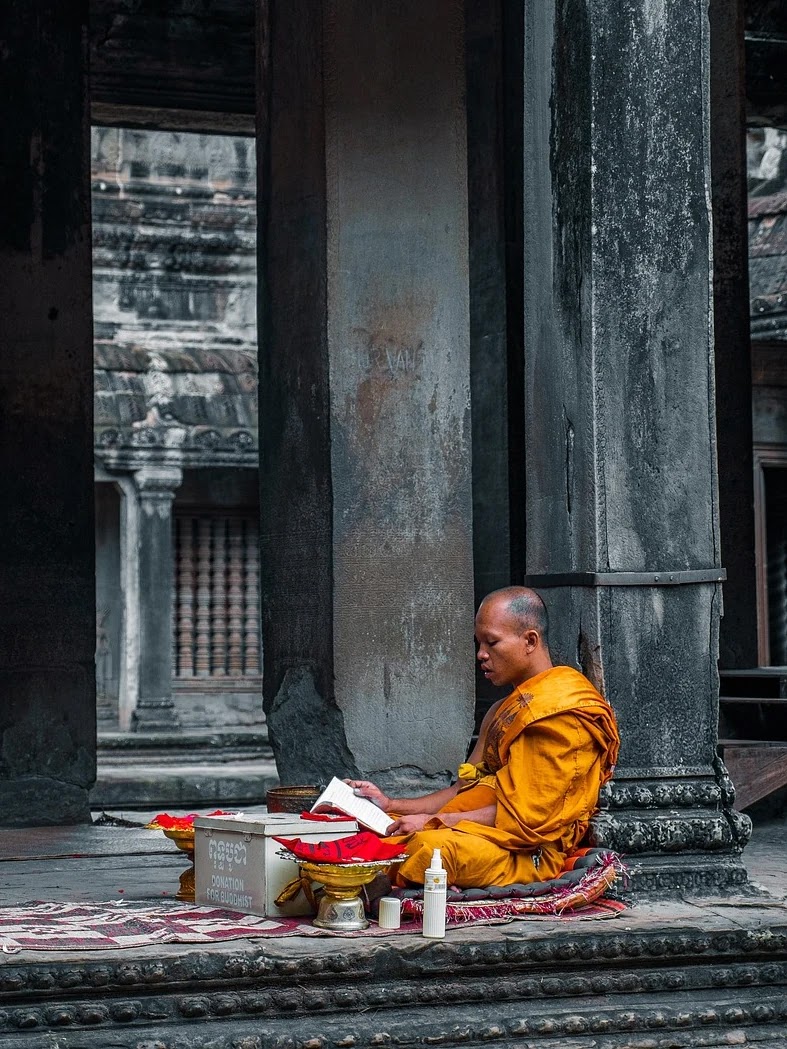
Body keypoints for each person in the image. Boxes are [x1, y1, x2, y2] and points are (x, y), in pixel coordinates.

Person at [346, 586, 620, 888]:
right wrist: (390, 803)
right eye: (479, 643)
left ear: (530, 641)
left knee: (428, 852)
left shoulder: (560, 711)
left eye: (492, 642)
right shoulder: (502, 711)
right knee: (371, 830)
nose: (481, 655)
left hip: (525, 850)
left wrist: (433, 823)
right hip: (474, 828)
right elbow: (460, 791)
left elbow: (528, 820)